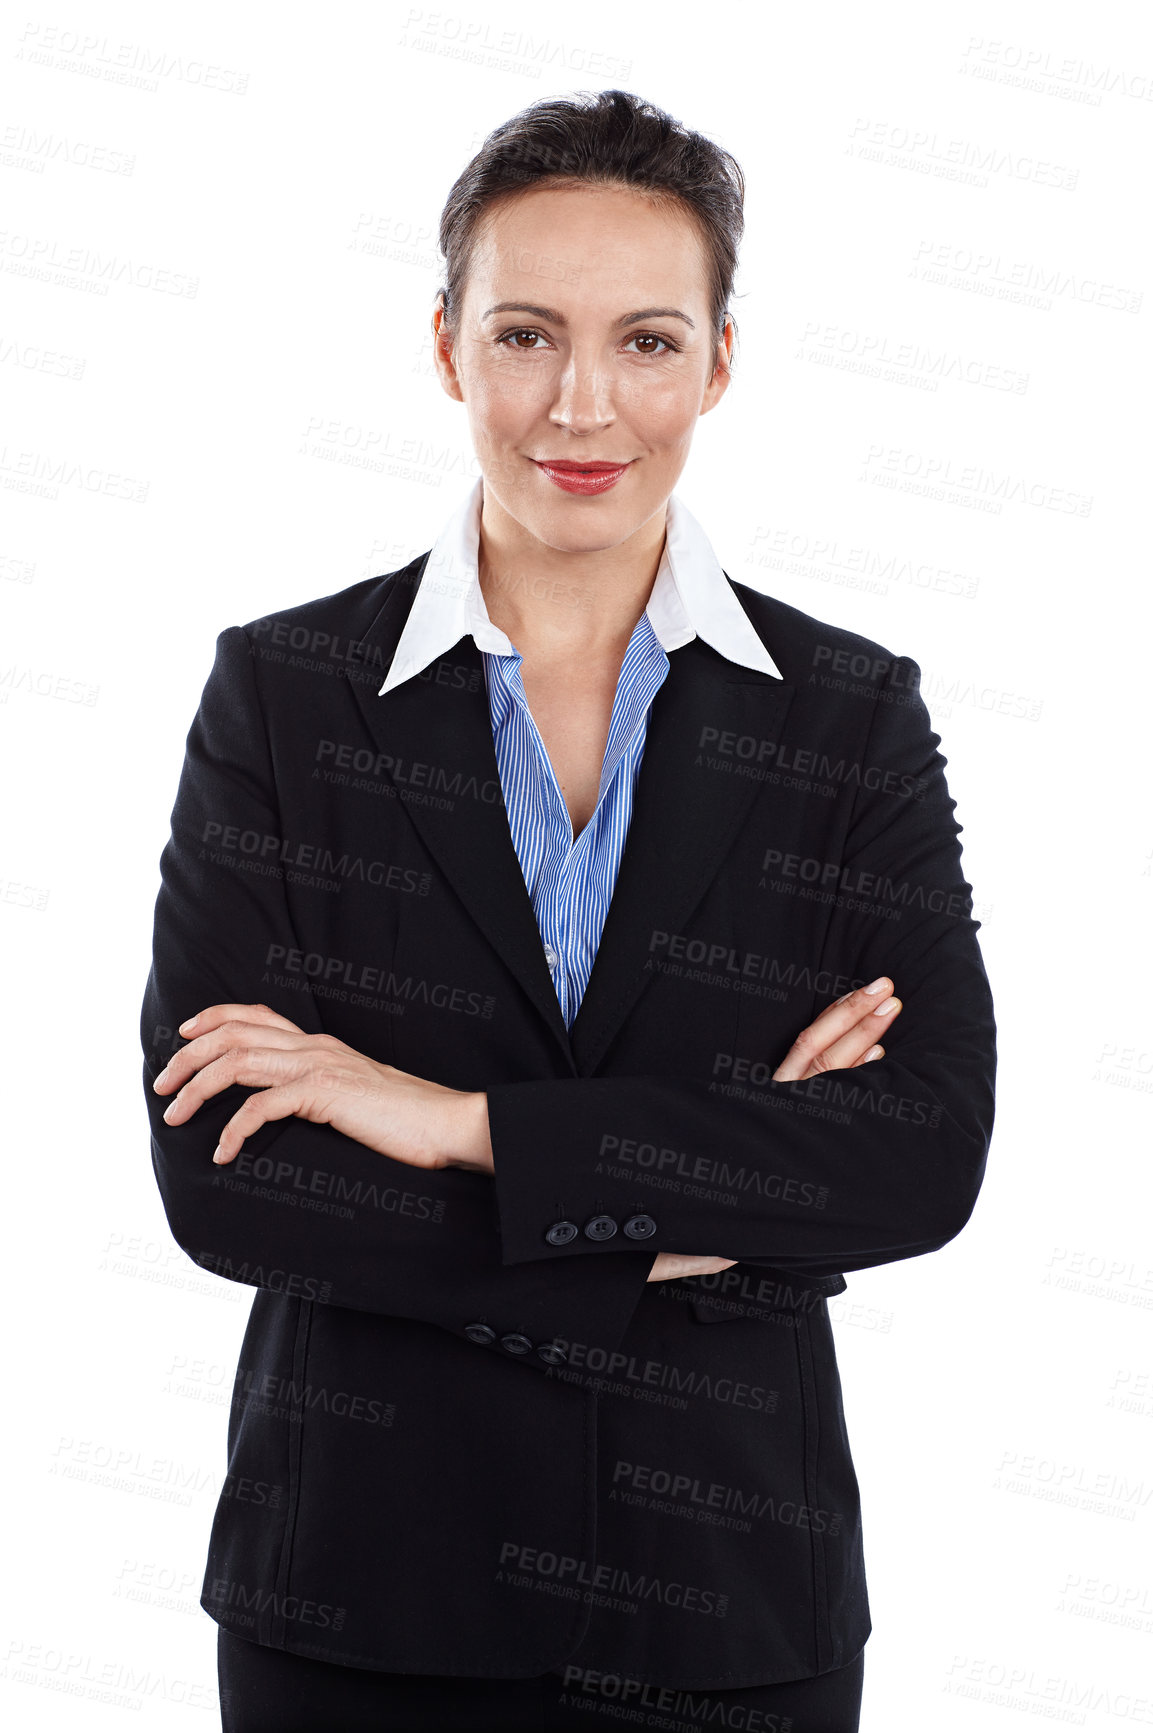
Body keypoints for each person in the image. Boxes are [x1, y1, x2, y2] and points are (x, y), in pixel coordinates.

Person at [141, 88, 996, 1732]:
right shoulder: (286, 695)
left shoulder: (842, 714)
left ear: (719, 366)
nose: (581, 403)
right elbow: (228, 1180)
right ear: (450, 348)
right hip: (361, 1598)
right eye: (526, 333)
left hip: (733, 1602)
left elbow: (922, 1146)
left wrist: (446, 1121)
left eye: (647, 343)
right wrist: (714, 1200)